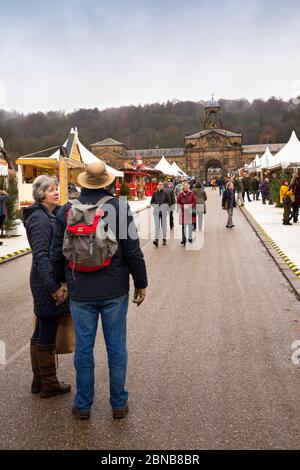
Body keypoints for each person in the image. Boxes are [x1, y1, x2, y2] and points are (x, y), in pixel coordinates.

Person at [50, 161, 147, 420]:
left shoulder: (66, 210)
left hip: (80, 289)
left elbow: (55, 254)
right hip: (114, 289)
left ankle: (83, 405)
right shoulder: (118, 209)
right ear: (107, 181)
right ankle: (118, 404)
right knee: (116, 348)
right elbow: (133, 252)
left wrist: (61, 282)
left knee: (84, 349)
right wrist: (141, 283)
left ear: (82, 182)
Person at [23, 175, 71, 398]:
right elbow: (41, 256)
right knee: (48, 330)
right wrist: (54, 287)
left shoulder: (46, 215)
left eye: (57, 188)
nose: (56, 192)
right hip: (46, 281)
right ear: (41, 194)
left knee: (41, 328)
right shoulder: (40, 220)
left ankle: (38, 380)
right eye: (52, 189)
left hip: (43, 280)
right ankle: (49, 382)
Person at [177, 181, 196, 245]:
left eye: (187, 186)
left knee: (190, 225)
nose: (186, 187)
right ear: (183, 187)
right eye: (185, 186)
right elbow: (178, 203)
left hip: (190, 211)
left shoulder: (191, 194)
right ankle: (184, 239)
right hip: (183, 212)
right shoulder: (180, 194)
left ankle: (190, 238)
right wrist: (183, 206)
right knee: (183, 226)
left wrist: (190, 205)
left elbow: (194, 202)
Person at [151, 181, 169, 246]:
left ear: (163, 186)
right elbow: (151, 202)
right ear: (157, 185)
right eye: (159, 184)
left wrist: (164, 205)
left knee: (164, 226)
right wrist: (155, 205)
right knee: (157, 226)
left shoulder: (165, 193)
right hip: (156, 212)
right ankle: (156, 240)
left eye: (161, 184)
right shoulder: (154, 194)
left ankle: (164, 239)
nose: (160, 185)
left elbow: (168, 202)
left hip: (163, 212)